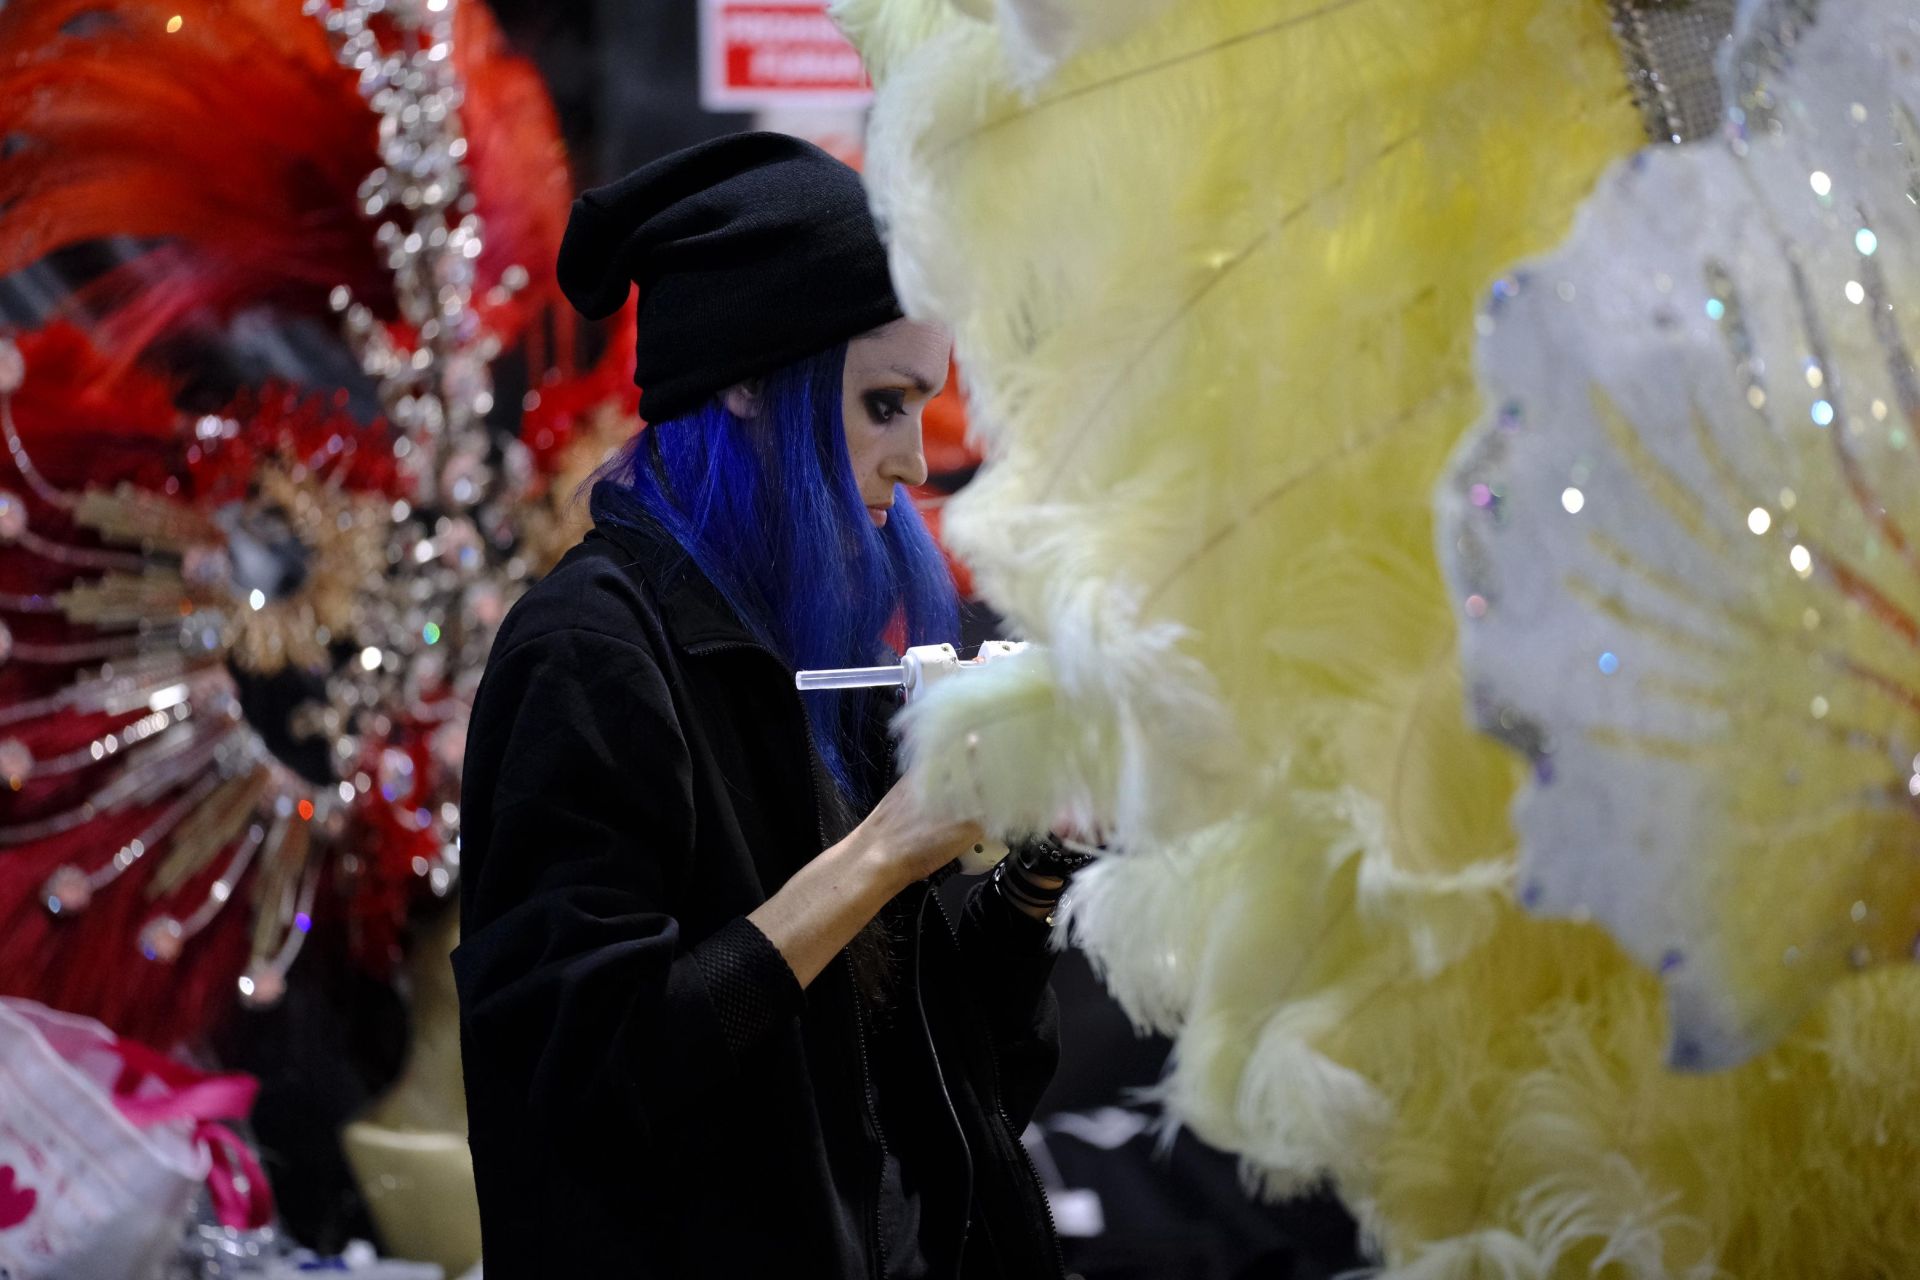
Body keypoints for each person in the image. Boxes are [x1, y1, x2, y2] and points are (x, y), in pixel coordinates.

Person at [453, 133, 1074, 1280]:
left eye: (921, 405)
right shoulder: (590, 653)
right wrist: (884, 852)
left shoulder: (815, 651)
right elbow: (584, 1085)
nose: (912, 464)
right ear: (745, 378)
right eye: (881, 403)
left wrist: (1033, 870)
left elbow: (943, 1075)